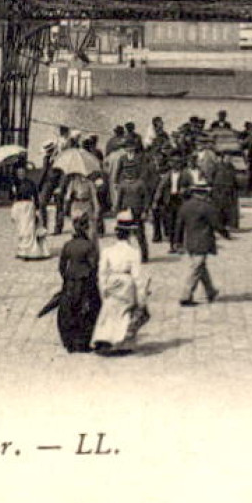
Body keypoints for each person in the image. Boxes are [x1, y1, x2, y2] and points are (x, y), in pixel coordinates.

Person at [92, 211, 150, 356]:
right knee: (124, 313)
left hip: (112, 282)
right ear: (130, 234)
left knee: (109, 311)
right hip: (126, 284)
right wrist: (142, 298)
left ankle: (104, 338)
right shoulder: (133, 252)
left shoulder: (107, 251)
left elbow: (102, 272)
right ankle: (121, 342)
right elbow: (137, 277)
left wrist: (103, 288)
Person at [52, 220, 101, 353]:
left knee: (69, 312)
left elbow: (62, 266)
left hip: (70, 282)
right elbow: (94, 266)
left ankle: (70, 342)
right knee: (88, 311)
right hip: (84, 282)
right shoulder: (89, 246)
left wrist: (66, 278)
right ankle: (83, 343)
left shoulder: (68, 245)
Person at [176, 179, 222, 306]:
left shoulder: (185, 206)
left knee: (201, 267)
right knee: (196, 269)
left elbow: (179, 225)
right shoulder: (206, 207)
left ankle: (211, 291)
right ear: (204, 193)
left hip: (190, 242)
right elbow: (216, 224)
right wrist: (226, 234)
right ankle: (186, 296)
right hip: (203, 242)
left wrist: (177, 242)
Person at [113, 145, 151, 261]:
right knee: (124, 234)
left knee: (140, 234)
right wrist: (117, 211)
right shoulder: (123, 185)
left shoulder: (140, 184)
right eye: (127, 170)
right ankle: (126, 255)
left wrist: (145, 211)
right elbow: (119, 199)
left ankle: (144, 256)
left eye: (131, 170)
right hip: (125, 211)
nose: (129, 172)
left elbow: (146, 198)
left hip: (137, 211)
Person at [10, 163, 51, 261]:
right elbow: (11, 198)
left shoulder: (30, 183)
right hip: (19, 207)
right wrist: (13, 192)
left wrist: (37, 209)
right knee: (21, 230)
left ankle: (31, 251)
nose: (21, 174)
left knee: (28, 229)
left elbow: (35, 196)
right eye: (19, 172)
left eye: (23, 172)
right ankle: (21, 250)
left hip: (28, 207)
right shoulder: (14, 184)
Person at [211, 153, 239, 237]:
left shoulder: (232, 167)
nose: (228, 159)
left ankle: (229, 225)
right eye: (226, 158)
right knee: (218, 208)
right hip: (219, 189)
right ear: (222, 158)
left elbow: (234, 179)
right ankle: (219, 225)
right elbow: (212, 176)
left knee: (229, 208)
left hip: (229, 190)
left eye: (229, 158)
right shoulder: (217, 166)